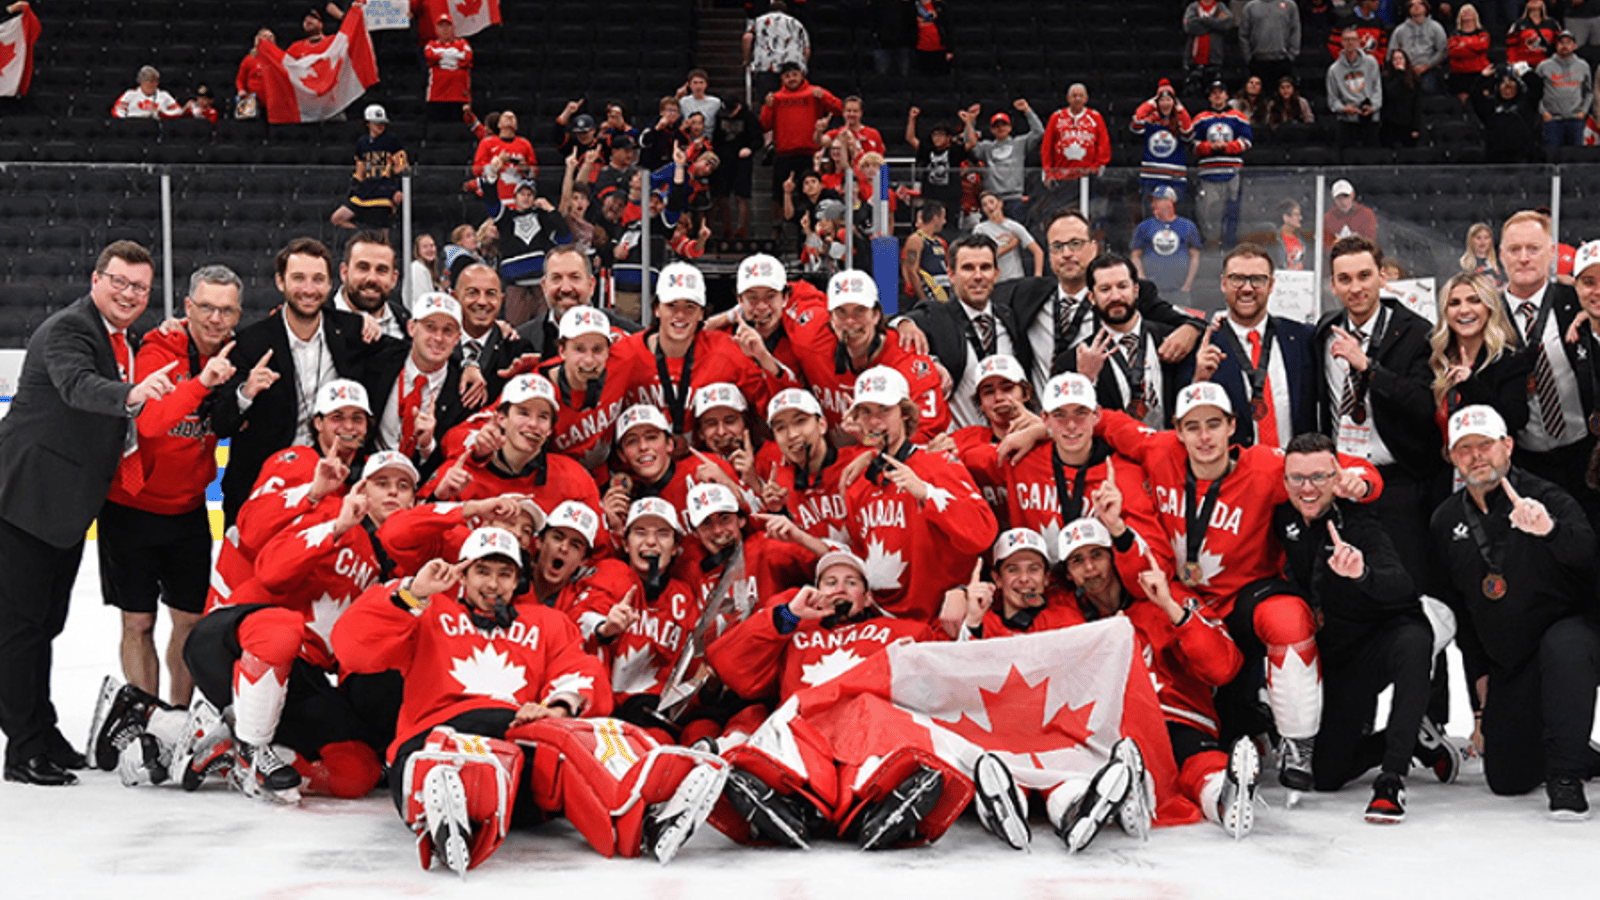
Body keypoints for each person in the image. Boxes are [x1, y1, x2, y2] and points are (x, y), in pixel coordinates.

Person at [334, 525, 727, 872]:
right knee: (451, 758)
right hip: (436, 734)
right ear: (462, 574)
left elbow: (583, 673)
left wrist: (557, 708)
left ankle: (642, 818)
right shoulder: (427, 610)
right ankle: (452, 802)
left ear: (519, 580)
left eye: (504, 574)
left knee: (581, 738)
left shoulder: (546, 622)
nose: (493, 584)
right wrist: (412, 593)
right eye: (482, 572)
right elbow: (352, 647)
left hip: (516, 736)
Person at [1096, 381, 1386, 790]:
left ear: (1233, 426)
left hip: (1245, 597)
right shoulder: (1158, 449)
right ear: (1177, 430)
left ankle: (1298, 744)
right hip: (1184, 595)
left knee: (1289, 619)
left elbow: (1348, 465)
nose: (1204, 437)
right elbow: (1107, 422)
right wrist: (1036, 428)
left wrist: (1361, 482)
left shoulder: (1266, 464)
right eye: (1193, 426)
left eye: (1214, 424)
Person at [0, 241, 177, 786]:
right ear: (96, 279)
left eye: (139, 288)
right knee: (21, 629)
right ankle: (23, 747)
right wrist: (133, 392)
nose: (129, 294)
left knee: (45, 625)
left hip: (64, 507)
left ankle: (41, 730)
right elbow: (79, 387)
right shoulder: (70, 329)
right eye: (119, 282)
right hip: (27, 500)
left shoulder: (119, 338)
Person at [1431, 405, 1600, 816]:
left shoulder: (1546, 496)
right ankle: (1579, 750)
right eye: (1464, 448)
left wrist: (1550, 531)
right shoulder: (1445, 519)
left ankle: (1566, 774)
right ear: (1452, 456)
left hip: (1570, 637)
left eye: (1485, 445)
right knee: (1506, 780)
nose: (1476, 456)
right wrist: (1481, 686)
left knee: (1566, 646)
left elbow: (1588, 554)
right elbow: (1462, 612)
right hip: (1513, 659)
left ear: (1507, 446)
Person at [1274, 433, 1449, 823]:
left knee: (1413, 643)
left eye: (1319, 477)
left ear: (1337, 478)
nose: (1307, 488)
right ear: (1284, 481)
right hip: (1339, 654)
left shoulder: (1359, 521)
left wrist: (1362, 573)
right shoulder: (1281, 517)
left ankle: (1391, 779)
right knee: (1326, 775)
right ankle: (1408, 738)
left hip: (1385, 635)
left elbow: (1401, 585)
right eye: (1297, 478)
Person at [99, 266, 241, 709]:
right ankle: (144, 719)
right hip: (131, 507)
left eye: (226, 310)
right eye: (206, 308)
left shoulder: (240, 353)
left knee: (190, 621)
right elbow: (152, 424)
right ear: (187, 308)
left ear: (238, 314)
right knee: (138, 622)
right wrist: (202, 384)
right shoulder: (157, 351)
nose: (215, 319)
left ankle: (175, 721)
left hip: (189, 511)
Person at [210, 237, 390, 524]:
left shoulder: (352, 329)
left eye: (318, 279)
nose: (309, 289)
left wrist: (468, 363)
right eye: (298, 278)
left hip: (334, 481)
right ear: (280, 282)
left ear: (331, 285)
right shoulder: (250, 343)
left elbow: (407, 350)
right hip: (264, 484)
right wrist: (246, 392)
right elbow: (221, 424)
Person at [1315, 236, 1443, 599]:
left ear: (1382, 277)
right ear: (1333, 285)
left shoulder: (1417, 332)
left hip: (1400, 484)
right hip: (1341, 482)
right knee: (1350, 590)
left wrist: (1368, 367)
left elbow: (1424, 406)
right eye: (1345, 279)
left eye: (1364, 276)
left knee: (1409, 588)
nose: (1355, 288)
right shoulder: (1325, 331)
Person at [838, 365, 998, 622]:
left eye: (884, 410)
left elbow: (983, 533)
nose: (875, 421)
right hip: (884, 623)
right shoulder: (858, 483)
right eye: (865, 412)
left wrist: (926, 493)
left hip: (939, 624)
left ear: (904, 413)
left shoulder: (938, 463)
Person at [986, 208, 1204, 393]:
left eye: (1075, 244)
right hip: (1038, 426)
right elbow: (974, 297)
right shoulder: (1025, 294)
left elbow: (1192, 323)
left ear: (1094, 247)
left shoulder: (1122, 296)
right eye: (1058, 246)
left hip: (1099, 425)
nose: (1067, 254)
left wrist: (1191, 328)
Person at [1497, 210, 1594, 514]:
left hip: (1587, 452)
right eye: (1514, 249)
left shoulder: (1579, 301)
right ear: (1501, 256)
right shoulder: (1486, 315)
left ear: (1551, 253)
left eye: (1533, 248)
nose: (1524, 258)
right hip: (1525, 461)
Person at [1192, 244, 1318, 448]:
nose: (1247, 288)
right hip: (1236, 473)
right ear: (1224, 284)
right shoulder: (1203, 347)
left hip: (1296, 471)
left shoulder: (1302, 338)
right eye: (1237, 278)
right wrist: (1198, 380)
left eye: (1257, 279)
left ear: (1271, 285)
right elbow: (1184, 421)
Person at [903, 235, 1027, 429]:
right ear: (951, 275)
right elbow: (889, 332)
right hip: (957, 447)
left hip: (1011, 443)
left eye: (985, 267)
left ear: (996, 273)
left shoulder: (1009, 318)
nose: (978, 276)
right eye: (968, 268)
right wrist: (905, 324)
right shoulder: (936, 316)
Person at [1427, 271, 1530, 434]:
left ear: (1489, 308)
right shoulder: (1436, 358)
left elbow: (1515, 419)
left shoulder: (1509, 360)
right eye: (1454, 303)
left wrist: (1470, 384)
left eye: (1474, 301)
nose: (1464, 310)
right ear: (1445, 312)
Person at [760, 62, 843, 208]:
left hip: (809, 153)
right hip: (783, 153)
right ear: (782, 79)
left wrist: (824, 97)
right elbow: (765, 126)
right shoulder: (776, 98)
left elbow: (839, 109)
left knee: (809, 194)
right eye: (787, 76)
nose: (791, 79)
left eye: (794, 75)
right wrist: (768, 107)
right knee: (778, 195)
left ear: (801, 74)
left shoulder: (814, 92)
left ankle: (806, 227)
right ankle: (777, 227)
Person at [1190, 81, 1252, 249]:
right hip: (1208, 173)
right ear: (1209, 97)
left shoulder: (1238, 117)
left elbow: (1247, 141)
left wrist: (1227, 146)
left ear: (1227, 95)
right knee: (1209, 213)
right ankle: (1211, 243)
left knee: (1232, 210)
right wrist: (1210, 147)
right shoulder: (1200, 118)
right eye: (1214, 93)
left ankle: (1229, 244)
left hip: (1232, 171)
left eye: (1221, 92)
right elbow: (1192, 144)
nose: (1217, 96)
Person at [331, 104, 408, 231]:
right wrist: (354, 190)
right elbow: (359, 171)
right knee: (337, 218)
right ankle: (363, 234)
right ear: (368, 123)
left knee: (382, 234)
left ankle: (376, 242)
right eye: (376, 122)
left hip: (384, 193)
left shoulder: (392, 141)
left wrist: (399, 189)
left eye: (382, 122)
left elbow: (402, 166)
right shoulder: (362, 143)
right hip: (364, 192)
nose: (380, 125)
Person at [965, 100, 1044, 221]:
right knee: (992, 236)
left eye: (1004, 125)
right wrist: (970, 122)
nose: (1000, 128)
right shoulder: (986, 147)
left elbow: (1039, 132)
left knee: (1015, 234)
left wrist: (1027, 111)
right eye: (996, 126)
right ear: (991, 130)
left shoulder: (1019, 143)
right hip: (992, 200)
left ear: (1010, 127)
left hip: (1014, 198)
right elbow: (970, 144)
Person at [1130, 187, 1202, 303]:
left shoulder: (1188, 226)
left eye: (1157, 200)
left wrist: (1188, 284)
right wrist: (1142, 280)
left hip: (1179, 290)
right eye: (1152, 201)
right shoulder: (1144, 227)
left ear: (1170, 201)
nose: (1153, 204)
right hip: (1153, 290)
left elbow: (1195, 256)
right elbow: (1135, 255)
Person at [330, 230, 407, 338]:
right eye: (363, 268)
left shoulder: (406, 322)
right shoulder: (317, 320)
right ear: (344, 272)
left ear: (394, 279)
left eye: (381, 270)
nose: (372, 278)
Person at [904, 112, 970, 237]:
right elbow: (910, 138)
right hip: (931, 198)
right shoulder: (928, 150)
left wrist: (968, 123)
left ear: (949, 138)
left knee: (950, 232)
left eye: (940, 135)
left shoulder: (954, 151)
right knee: (928, 230)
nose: (937, 138)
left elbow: (972, 143)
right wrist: (912, 119)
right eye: (935, 135)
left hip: (950, 199)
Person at [1129, 81, 1194, 201]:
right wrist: (1149, 104)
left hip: (1175, 178)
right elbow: (1136, 123)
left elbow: (1189, 134)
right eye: (1162, 100)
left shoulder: (1179, 120)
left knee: (1172, 216)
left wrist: (1181, 110)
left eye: (1168, 100)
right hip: (1151, 176)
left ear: (1174, 102)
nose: (1165, 103)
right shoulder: (1150, 120)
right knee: (1151, 214)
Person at [1470, 63, 1545, 163]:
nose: (1507, 86)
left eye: (1511, 83)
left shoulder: (1527, 104)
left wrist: (1524, 73)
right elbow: (1475, 96)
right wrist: (1483, 77)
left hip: (1523, 157)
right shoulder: (1490, 107)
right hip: (1495, 157)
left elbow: (1537, 87)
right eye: (1503, 84)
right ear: (1498, 88)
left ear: (1518, 87)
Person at [1041, 83, 1111, 186]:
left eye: (1081, 96)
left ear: (1086, 98)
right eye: (1074, 96)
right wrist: (1048, 172)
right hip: (1061, 176)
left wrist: (1096, 168)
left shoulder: (1095, 117)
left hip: (1088, 176)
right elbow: (1047, 147)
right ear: (1068, 98)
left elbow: (1103, 145)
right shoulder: (1056, 117)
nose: (1077, 99)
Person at [1329, 26, 1384, 149]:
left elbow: (1377, 89)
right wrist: (1343, 108)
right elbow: (1333, 99)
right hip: (1347, 120)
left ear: (1359, 42)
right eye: (1347, 39)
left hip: (1369, 118)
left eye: (1353, 39)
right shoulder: (1334, 69)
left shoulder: (1371, 62)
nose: (1350, 43)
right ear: (1342, 42)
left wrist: (1373, 107)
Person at [1536, 30, 1592, 149]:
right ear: (1556, 45)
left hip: (1575, 120)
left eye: (1568, 42)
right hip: (1552, 120)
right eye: (1561, 43)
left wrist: (1584, 111)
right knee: (1552, 157)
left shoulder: (1583, 66)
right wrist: (1543, 112)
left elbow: (1589, 91)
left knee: (1576, 157)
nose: (1564, 46)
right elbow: (1534, 93)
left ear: (1574, 46)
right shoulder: (1543, 66)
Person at [745, 0, 810, 99]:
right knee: (790, 101)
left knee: (767, 101)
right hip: (790, 70)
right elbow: (806, 49)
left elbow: (747, 38)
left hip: (766, 66)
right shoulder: (796, 23)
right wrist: (803, 65)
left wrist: (746, 59)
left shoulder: (758, 21)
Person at [974, 193, 1042, 284]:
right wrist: (1010, 246)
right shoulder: (980, 229)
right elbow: (980, 257)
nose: (989, 207)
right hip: (992, 282)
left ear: (1000, 203)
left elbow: (1038, 251)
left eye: (991, 202)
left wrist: (1037, 278)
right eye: (985, 205)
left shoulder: (1014, 227)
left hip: (1015, 279)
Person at [1391, 0, 1449, 93]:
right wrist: (1405, 67)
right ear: (1408, 9)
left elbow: (1443, 51)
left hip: (1429, 68)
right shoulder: (1399, 30)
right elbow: (1392, 52)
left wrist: (1427, 65)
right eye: (1412, 5)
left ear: (1426, 7)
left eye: (1420, 3)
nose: (1416, 6)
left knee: (1427, 88)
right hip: (1405, 69)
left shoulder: (1436, 27)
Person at [422, 13, 472, 121]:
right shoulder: (431, 44)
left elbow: (467, 59)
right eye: (441, 26)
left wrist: (441, 58)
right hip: (437, 96)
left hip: (459, 95)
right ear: (436, 29)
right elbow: (430, 57)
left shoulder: (463, 43)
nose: (445, 29)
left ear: (453, 28)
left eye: (447, 26)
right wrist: (454, 57)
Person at [1239, 0, 1301, 87]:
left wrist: (1292, 55)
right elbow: (1243, 34)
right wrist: (1248, 58)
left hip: (1283, 60)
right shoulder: (1250, 7)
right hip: (1257, 61)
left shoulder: (1290, 5)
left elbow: (1295, 30)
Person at [1184, 0, 1238, 97]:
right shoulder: (1193, 7)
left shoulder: (1220, 7)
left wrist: (1203, 21)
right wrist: (1214, 25)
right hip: (1195, 59)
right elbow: (1189, 26)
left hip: (1215, 59)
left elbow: (1228, 22)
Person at [1381, 48, 1423, 147]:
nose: (1398, 61)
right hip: (1390, 123)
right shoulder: (1386, 77)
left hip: (1408, 123)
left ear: (1406, 60)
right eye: (1395, 59)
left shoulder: (1414, 78)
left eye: (1400, 58)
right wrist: (1399, 74)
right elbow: (1390, 93)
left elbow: (1417, 104)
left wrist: (1416, 127)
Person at [1448, 4, 1492, 101]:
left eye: (1469, 11)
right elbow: (1454, 52)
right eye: (1464, 11)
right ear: (1460, 16)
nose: (1467, 13)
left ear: (1475, 15)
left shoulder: (1482, 32)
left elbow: (1483, 46)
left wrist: (1464, 44)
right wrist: (1474, 46)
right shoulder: (1454, 34)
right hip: (1460, 73)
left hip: (1479, 72)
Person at [111, 65, 182, 119]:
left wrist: (162, 114)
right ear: (141, 82)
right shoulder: (129, 94)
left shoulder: (164, 95)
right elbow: (117, 111)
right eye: (150, 82)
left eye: (155, 81)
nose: (153, 84)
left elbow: (178, 111)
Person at [1323, 179, 1379, 245]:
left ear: (1353, 195)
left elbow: (1370, 242)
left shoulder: (1367, 214)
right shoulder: (1328, 218)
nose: (1343, 201)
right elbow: (1327, 247)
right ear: (1334, 199)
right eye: (1338, 197)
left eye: (1346, 196)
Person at [1507, 0, 1559, 69]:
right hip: (1523, 65)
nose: (1535, 1)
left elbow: (1559, 44)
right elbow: (1511, 46)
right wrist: (1512, 63)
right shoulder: (1518, 24)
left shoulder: (1552, 23)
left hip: (1547, 64)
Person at [235, 28, 274, 119]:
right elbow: (240, 79)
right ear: (258, 39)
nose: (268, 39)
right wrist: (241, 90)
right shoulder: (249, 59)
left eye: (270, 37)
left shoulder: (279, 58)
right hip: (252, 102)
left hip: (272, 102)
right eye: (265, 37)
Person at [1461, 221, 1507, 288]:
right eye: (1478, 238)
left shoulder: (1500, 261)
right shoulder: (1464, 263)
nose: (1482, 241)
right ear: (1471, 240)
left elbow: (1508, 284)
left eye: (1486, 238)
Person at [1275, 199, 1308, 270]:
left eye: (1300, 214)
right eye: (1296, 214)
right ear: (1286, 218)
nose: (1300, 218)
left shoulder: (1303, 239)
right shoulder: (1275, 240)